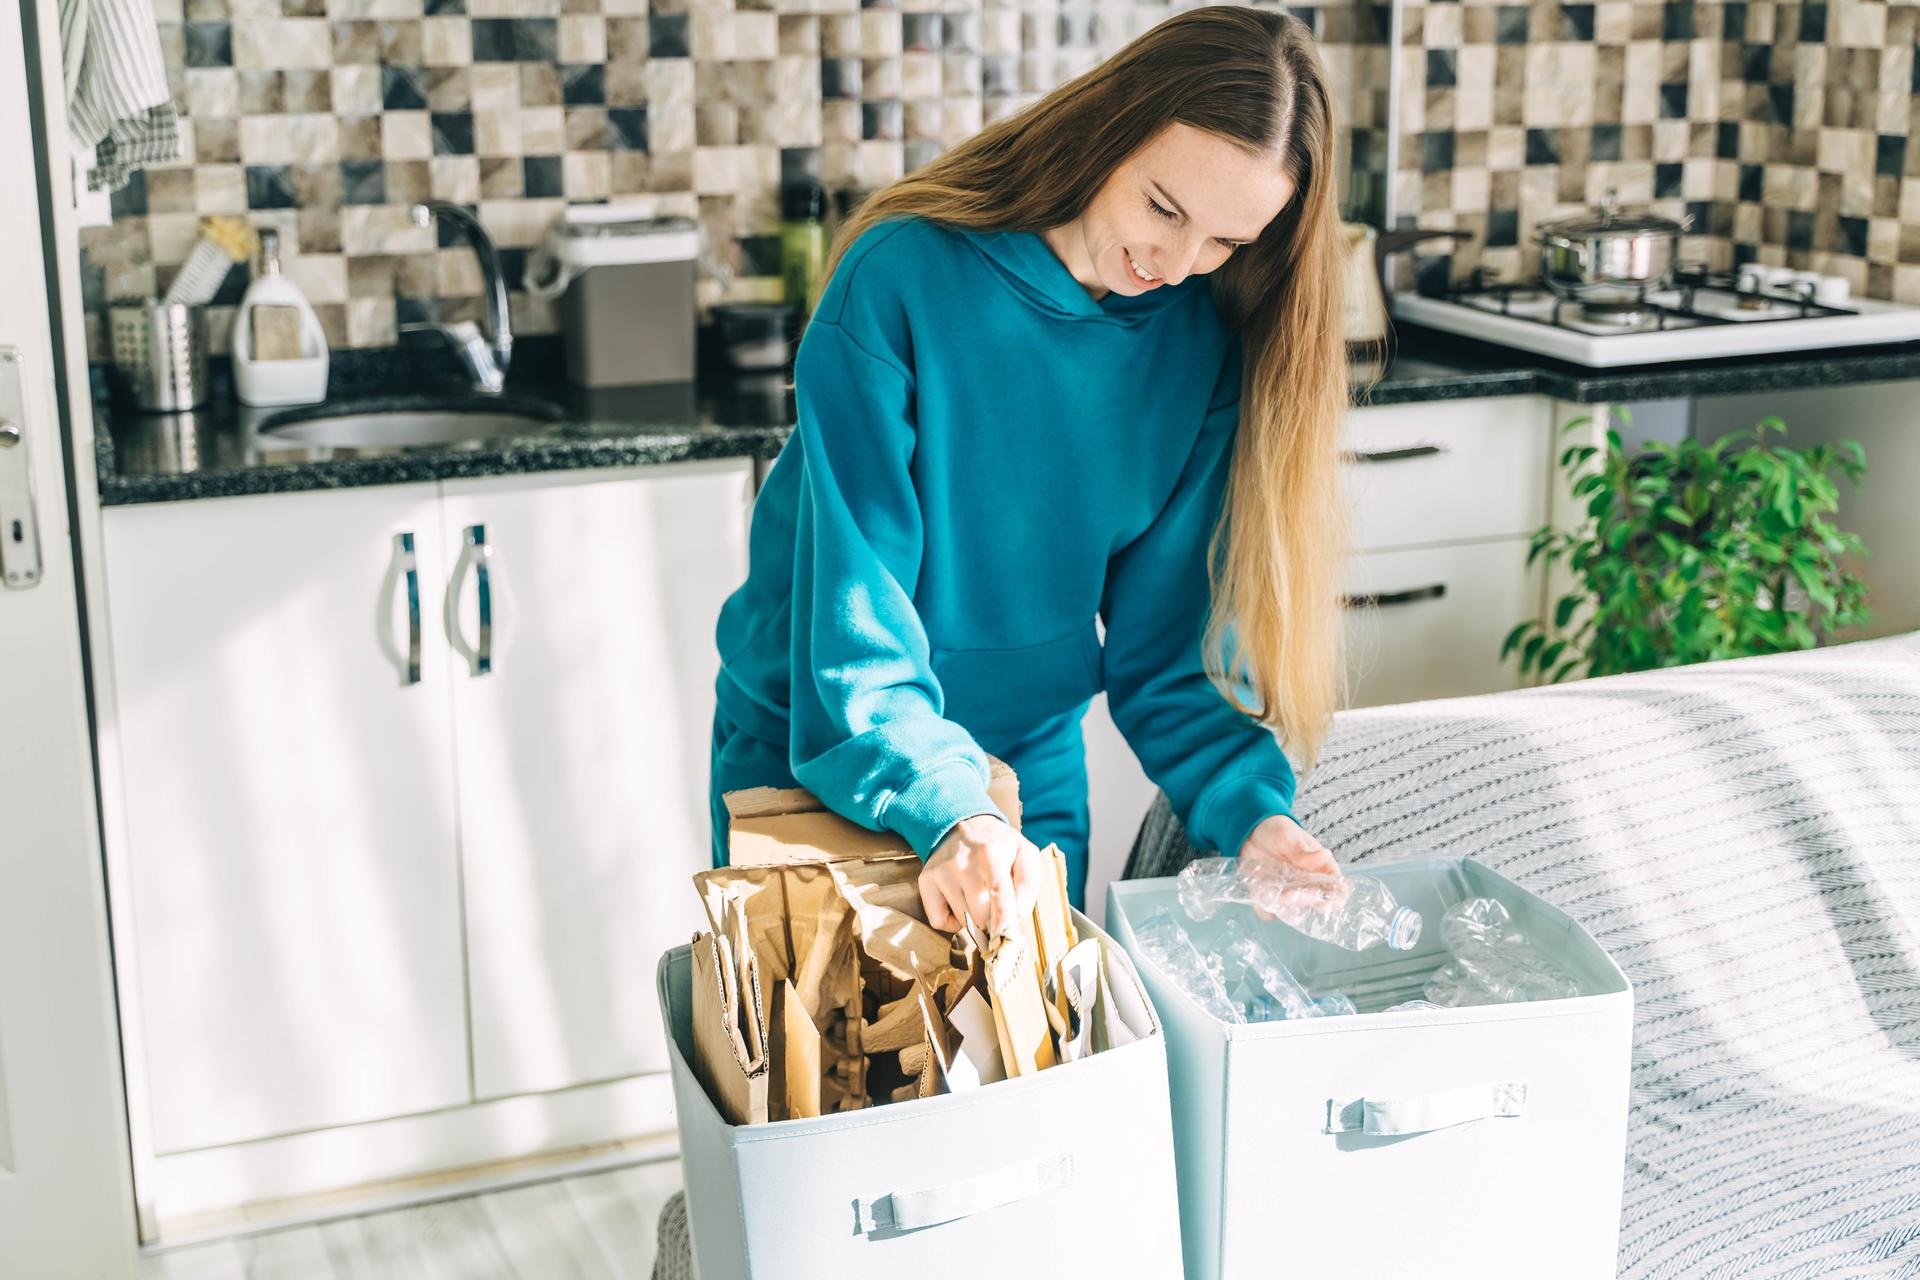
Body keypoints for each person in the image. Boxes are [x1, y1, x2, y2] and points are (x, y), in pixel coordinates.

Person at [708, 5, 1353, 936]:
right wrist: (951, 810)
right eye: (1163, 208)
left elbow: (1166, 659)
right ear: (1109, 131)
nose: (1173, 263)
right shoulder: (901, 280)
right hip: (823, 756)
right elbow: (856, 628)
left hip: (1026, 767)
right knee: (824, 1075)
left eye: (1224, 242)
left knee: (1030, 1076)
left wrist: (1254, 813)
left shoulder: (1202, 343)